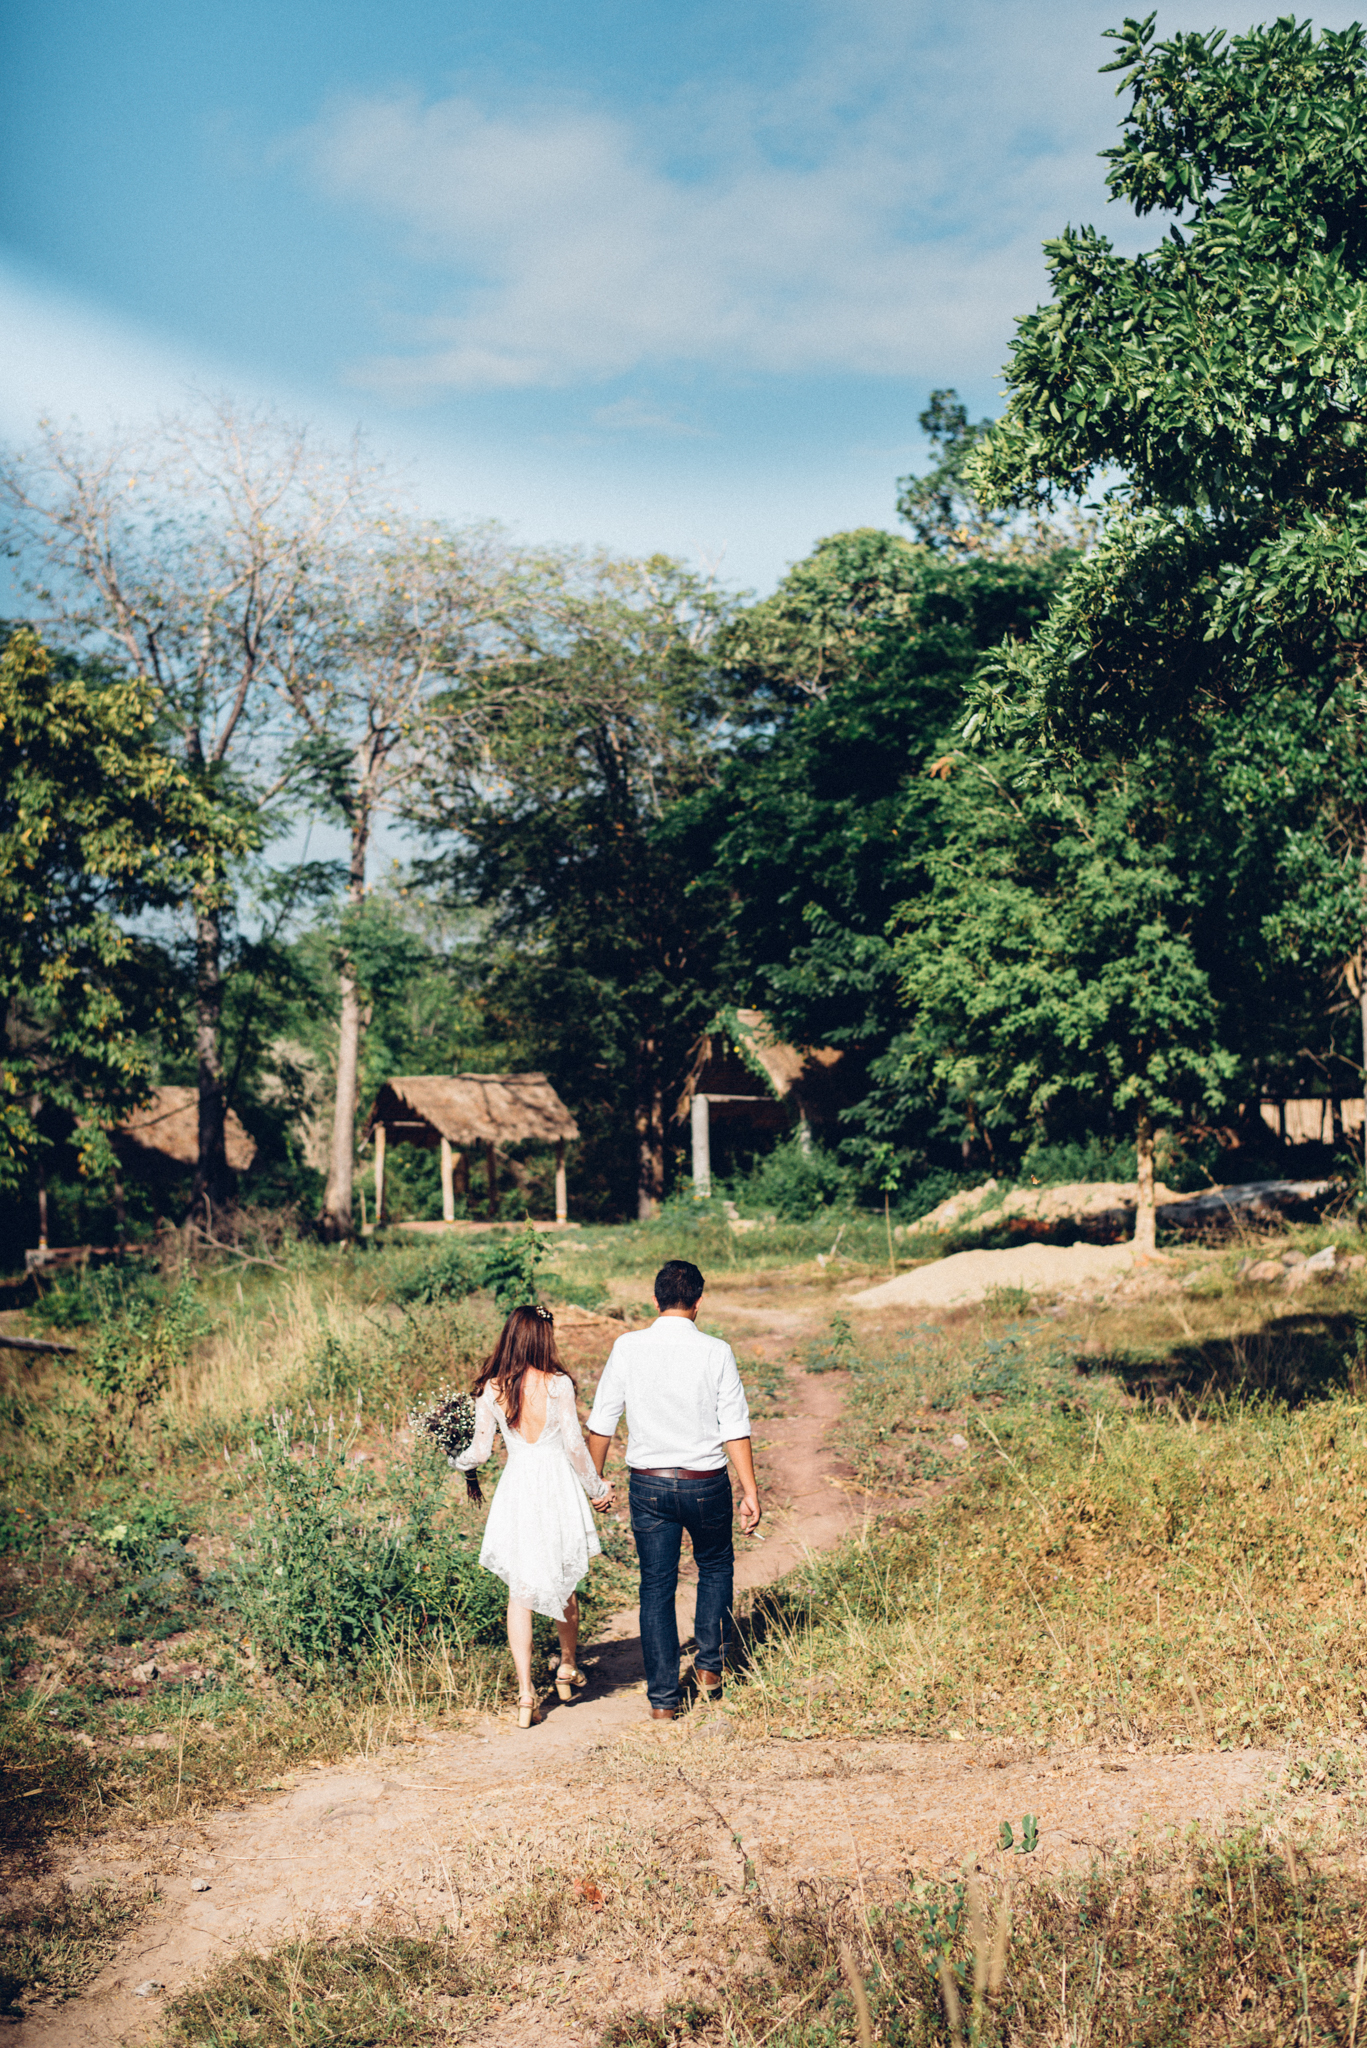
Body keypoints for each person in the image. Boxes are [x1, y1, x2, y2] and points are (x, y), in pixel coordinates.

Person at [586, 1259, 760, 1721]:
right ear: (699, 1302)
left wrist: (594, 1481)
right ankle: (708, 1669)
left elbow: (602, 1422)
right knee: (716, 1567)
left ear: (655, 1300)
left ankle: (663, 1701)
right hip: (706, 1483)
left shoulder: (628, 1346)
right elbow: (735, 1427)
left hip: (649, 1485)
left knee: (656, 1587)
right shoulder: (716, 1351)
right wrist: (750, 1491)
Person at [451, 1304, 615, 1728]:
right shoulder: (559, 1385)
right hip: (556, 1485)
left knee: (520, 1592)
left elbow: (481, 1452)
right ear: (544, 1338)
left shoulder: (492, 1389)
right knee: (564, 1578)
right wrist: (598, 1490)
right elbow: (576, 1449)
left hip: (519, 1487)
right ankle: (566, 1665)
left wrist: (457, 1459)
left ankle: (526, 1695)